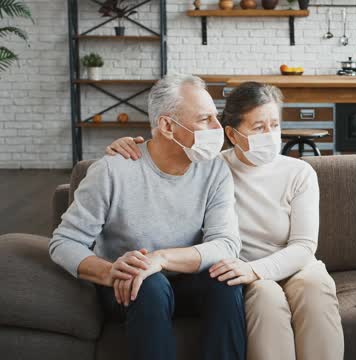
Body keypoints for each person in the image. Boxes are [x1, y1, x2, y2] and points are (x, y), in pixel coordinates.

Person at [106, 81, 344, 360]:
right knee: (267, 301)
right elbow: (164, 156)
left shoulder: (300, 172)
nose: (270, 135)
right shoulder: (211, 168)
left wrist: (256, 269)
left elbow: (304, 246)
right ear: (231, 133)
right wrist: (127, 143)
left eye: (275, 125)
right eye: (258, 128)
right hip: (242, 271)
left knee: (315, 290)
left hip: (295, 265)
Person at [49, 74, 246, 360]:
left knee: (225, 281)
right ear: (167, 126)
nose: (218, 129)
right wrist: (109, 270)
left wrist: (161, 258)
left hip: (184, 279)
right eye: (205, 120)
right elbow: (63, 242)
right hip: (130, 289)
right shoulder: (113, 171)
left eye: (216, 117)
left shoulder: (214, 171)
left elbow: (226, 244)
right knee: (148, 281)